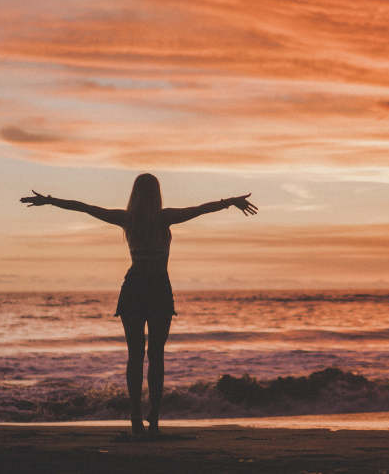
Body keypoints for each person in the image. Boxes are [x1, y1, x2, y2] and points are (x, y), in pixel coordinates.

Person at [20, 173, 257, 435]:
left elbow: (84, 207)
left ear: (134, 193)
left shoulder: (126, 218)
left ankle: (136, 417)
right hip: (157, 287)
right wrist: (231, 201)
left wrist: (50, 201)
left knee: (135, 356)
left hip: (134, 287)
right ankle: (153, 418)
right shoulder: (164, 217)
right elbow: (201, 209)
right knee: (156, 356)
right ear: (157, 193)